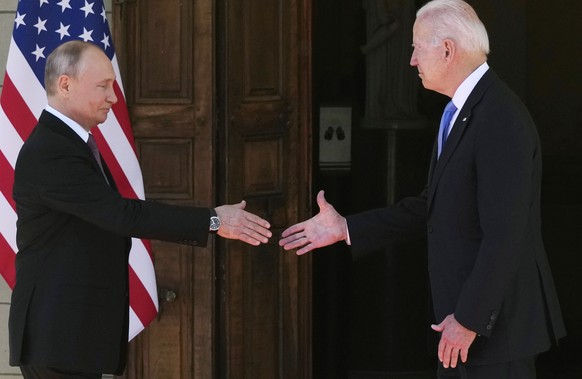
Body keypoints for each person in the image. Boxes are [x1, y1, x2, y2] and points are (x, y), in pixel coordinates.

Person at [280, 0, 566, 378]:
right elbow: (432, 206)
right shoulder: (459, 111)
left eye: (416, 47)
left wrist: (468, 320)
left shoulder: (499, 117)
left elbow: (505, 235)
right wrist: (345, 228)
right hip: (462, 326)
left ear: (447, 50)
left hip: (493, 332)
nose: (411, 60)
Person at [9, 40, 272, 379]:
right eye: (103, 86)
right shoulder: (51, 151)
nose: (113, 97)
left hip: (73, 333)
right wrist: (213, 219)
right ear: (65, 84)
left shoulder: (71, 143)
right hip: (57, 332)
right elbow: (120, 215)